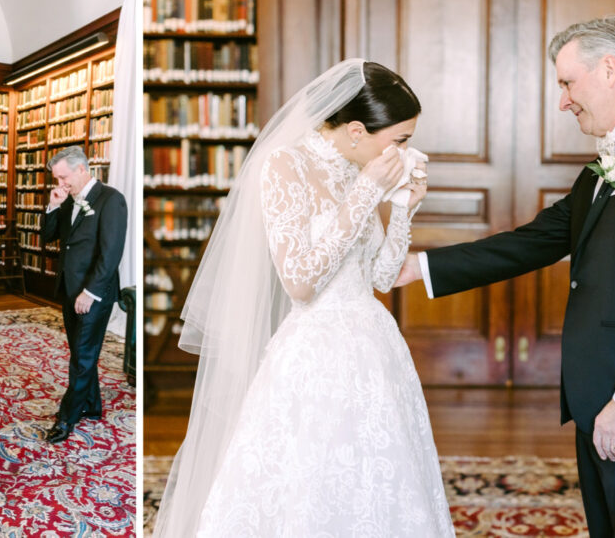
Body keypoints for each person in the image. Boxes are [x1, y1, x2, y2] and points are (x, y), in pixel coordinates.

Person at [396, 15, 615, 537]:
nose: (563, 100)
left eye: (568, 82)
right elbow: (532, 242)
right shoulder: (601, 168)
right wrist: (417, 267)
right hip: (599, 400)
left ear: (610, 69)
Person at [154, 59, 454, 537]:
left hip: (374, 346)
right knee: (308, 483)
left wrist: (401, 209)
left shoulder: (358, 168)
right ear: (356, 130)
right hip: (316, 350)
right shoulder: (284, 166)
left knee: (377, 477)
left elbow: (378, 275)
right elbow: (299, 280)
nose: (405, 151)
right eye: (399, 140)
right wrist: (367, 193)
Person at [40, 145, 128, 444]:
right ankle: (92, 405)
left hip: (93, 293)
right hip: (68, 288)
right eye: (56, 179)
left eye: (63, 177)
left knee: (84, 356)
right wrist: (53, 205)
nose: (60, 184)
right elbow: (50, 236)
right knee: (80, 352)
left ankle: (67, 417)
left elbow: (111, 253)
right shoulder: (68, 198)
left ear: (81, 169)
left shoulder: (111, 199)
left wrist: (90, 292)